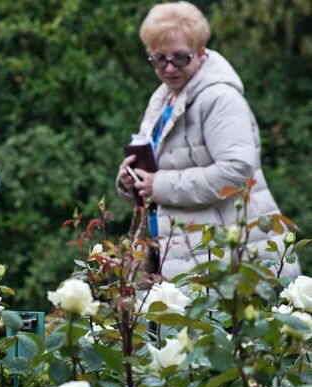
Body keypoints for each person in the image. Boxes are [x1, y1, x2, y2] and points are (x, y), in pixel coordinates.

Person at [116, 1, 300, 279]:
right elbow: (160, 170)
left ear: (201, 51)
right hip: (179, 251)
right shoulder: (163, 98)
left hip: (227, 256)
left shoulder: (219, 98)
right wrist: (132, 181)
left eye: (179, 57)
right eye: (158, 59)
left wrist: (160, 184)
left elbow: (237, 170)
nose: (168, 68)